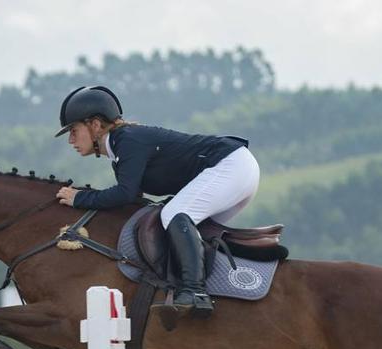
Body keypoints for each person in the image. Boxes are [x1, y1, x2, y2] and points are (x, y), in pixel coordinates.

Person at [54, 85, 260, 319]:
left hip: (231, 165)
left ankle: (194, 292)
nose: (71, 139)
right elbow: (133, 201)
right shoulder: (121, 148)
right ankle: (216, 290)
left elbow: (125, 194)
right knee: (187, 230)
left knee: (173, 214)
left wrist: (79, 198)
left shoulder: (128, 140)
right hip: (237, 168)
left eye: (73, 130)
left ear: (95, 125)